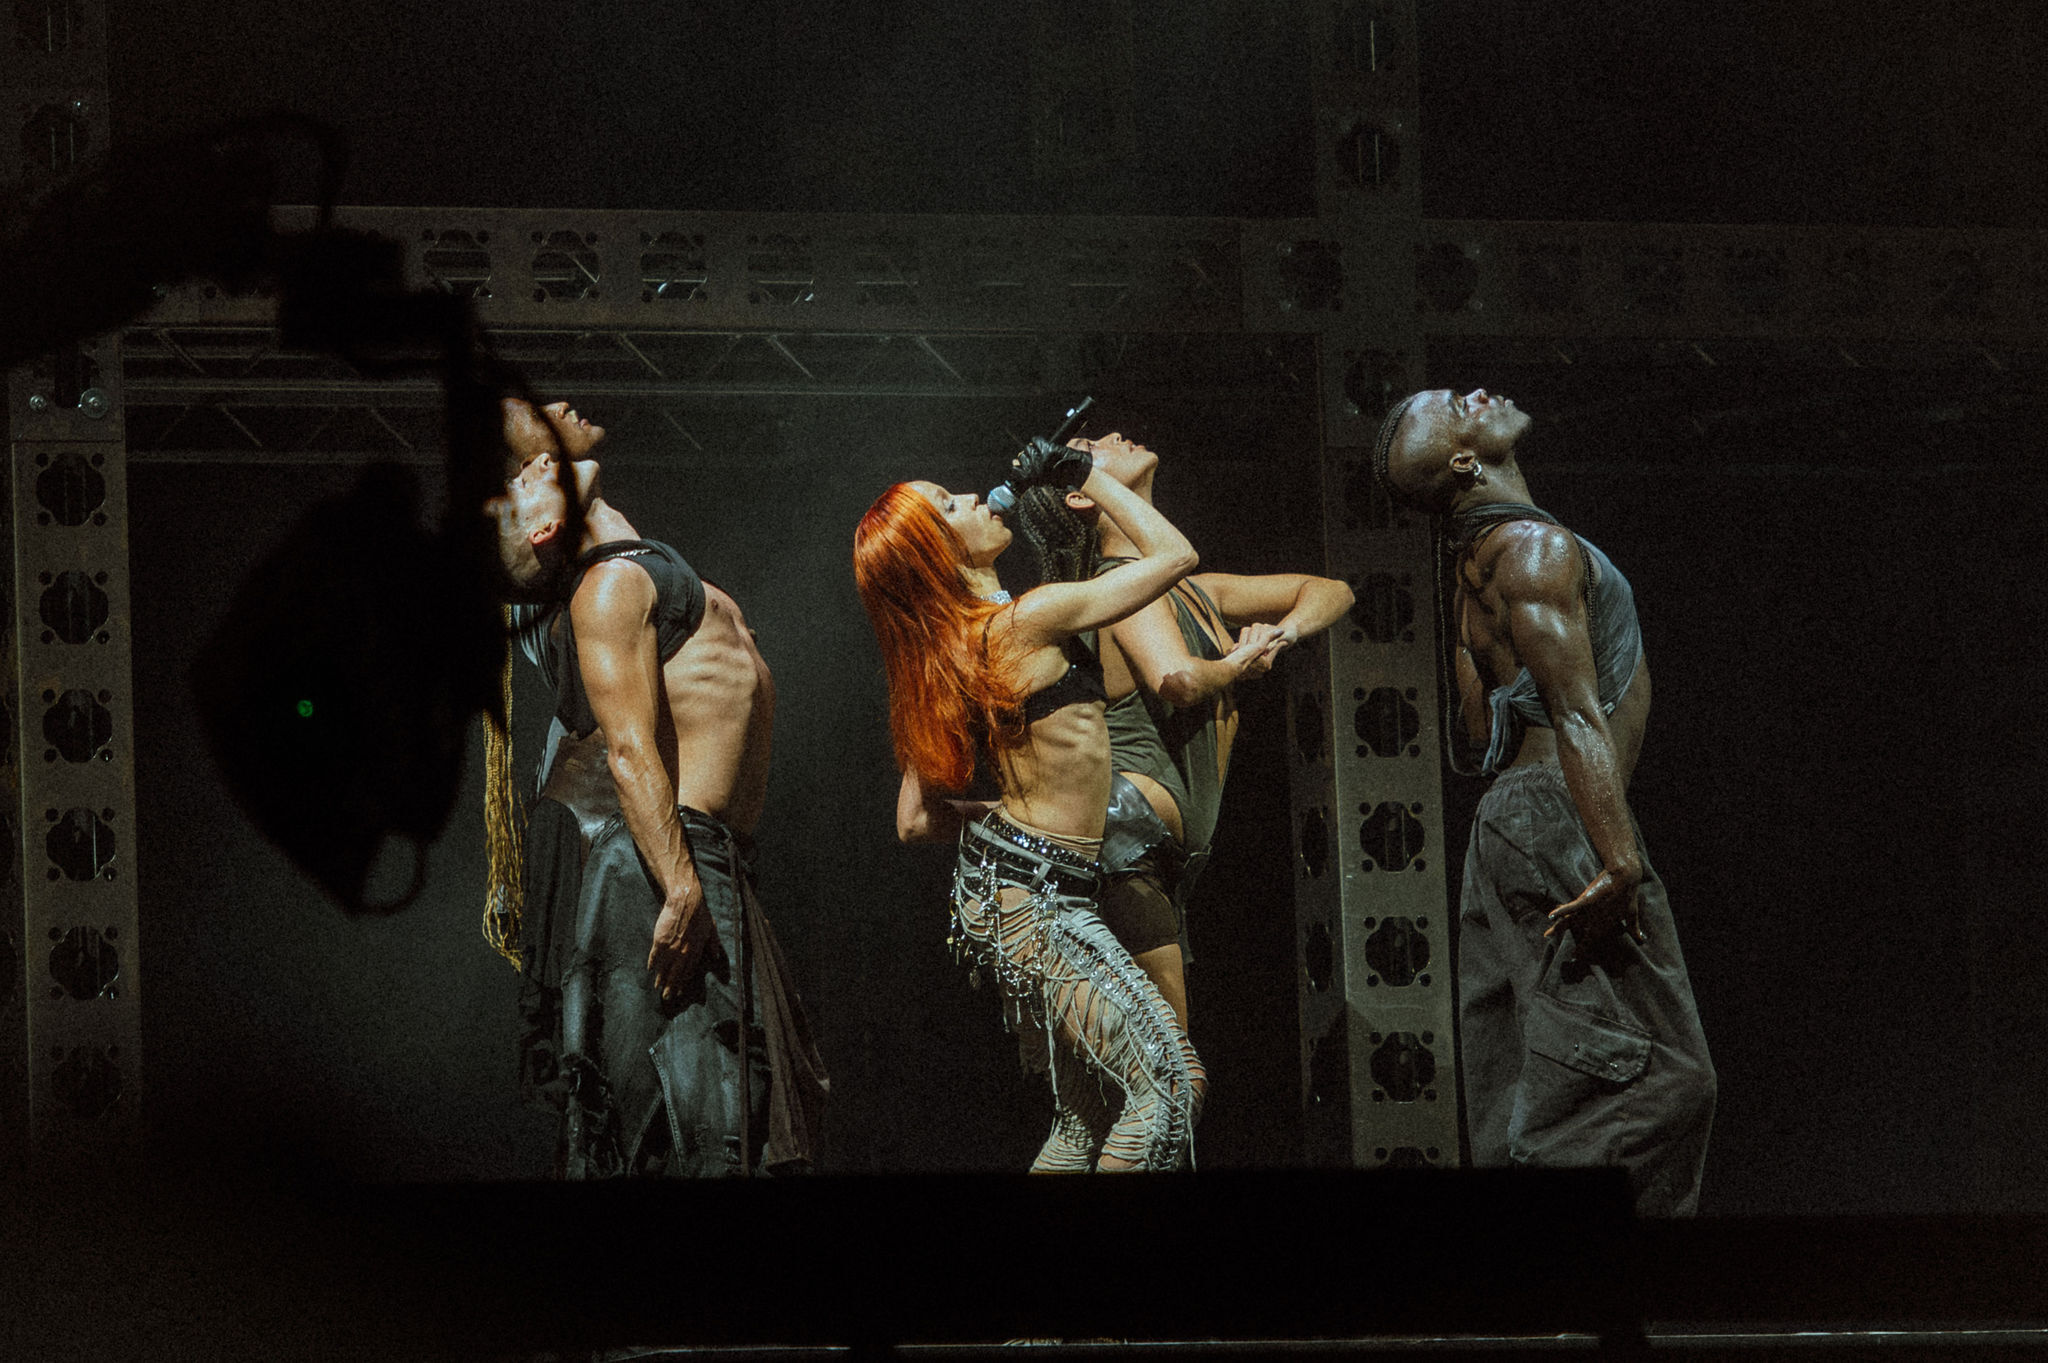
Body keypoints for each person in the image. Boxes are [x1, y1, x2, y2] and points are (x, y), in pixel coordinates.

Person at [1375, 387, 1715, 1215]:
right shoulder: (1532, 547)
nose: (1476, 394)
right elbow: (1574, 712)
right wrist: (1620, 857)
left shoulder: (1474, 567)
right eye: (1456, 407)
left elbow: (1478, 726)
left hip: (1509, 819)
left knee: (1529, 1082)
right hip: (1560, 811)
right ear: (1466, 461)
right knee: (1656, 1078)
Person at [489, 397, 826, 1177]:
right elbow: (629, 749)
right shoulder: (605, 589)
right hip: (668, 867)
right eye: (524, 477)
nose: (537, 467)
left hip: (718, 862)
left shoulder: (637, 568)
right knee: (704, 1123)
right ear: (544, 526)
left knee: (749, 1115)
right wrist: (678, 884)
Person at [852, 449, 1203, 1172]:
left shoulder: (954, 648)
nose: (974, 496)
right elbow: (1176, 556)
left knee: (1084, 1120)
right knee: (1167, 1087)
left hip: (1016, 895)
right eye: (949, 504)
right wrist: (1085, 474)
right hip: (1039, 905)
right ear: (937, 554)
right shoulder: (1027, 620)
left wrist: (1012, 821)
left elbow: (914, 820)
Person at [1013, 433, 1354, 1036]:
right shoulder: (1123, 583)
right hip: (1128, 837)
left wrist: (1281, 636)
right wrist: (1238, 664)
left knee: (1152, 1059)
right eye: (1090, 444)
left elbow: (1331, 590)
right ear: (1082, 496)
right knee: (1168, 1062)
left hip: (1158, 849)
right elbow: (1180, 680)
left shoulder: (1198, 589)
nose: (1113, 435)